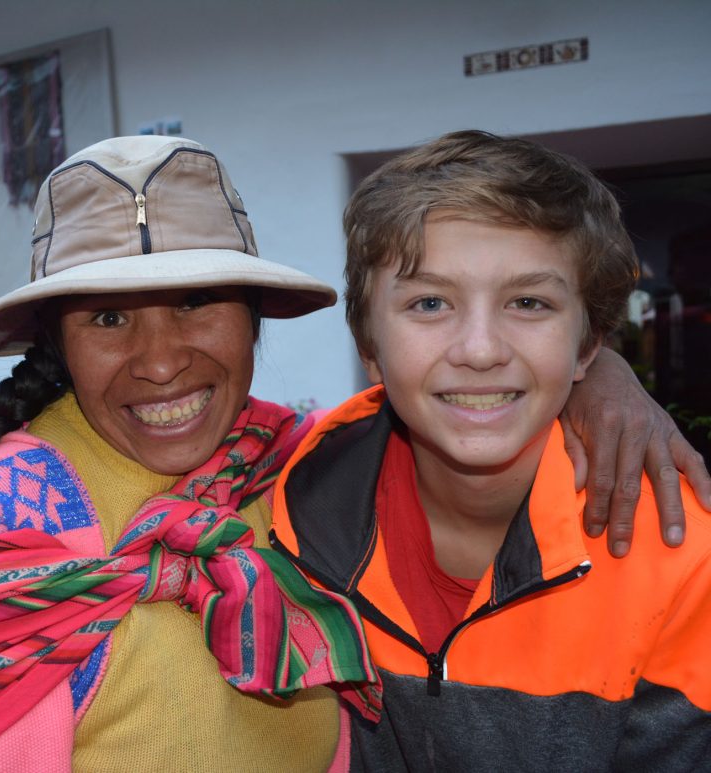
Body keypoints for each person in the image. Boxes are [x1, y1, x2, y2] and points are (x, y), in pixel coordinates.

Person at [0, 136, 704, 773]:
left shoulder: (293, 469)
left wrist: (596, 375)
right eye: (109, 317)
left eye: (200, 304)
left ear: (255, 327)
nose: (162, 359)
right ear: (56, 347)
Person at [271, 130, 711, 770]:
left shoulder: (681, 561)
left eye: (528, 303)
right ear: (369, 345)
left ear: (587, 346)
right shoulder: (285, 502)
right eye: (429, 303)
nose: (480, 350)